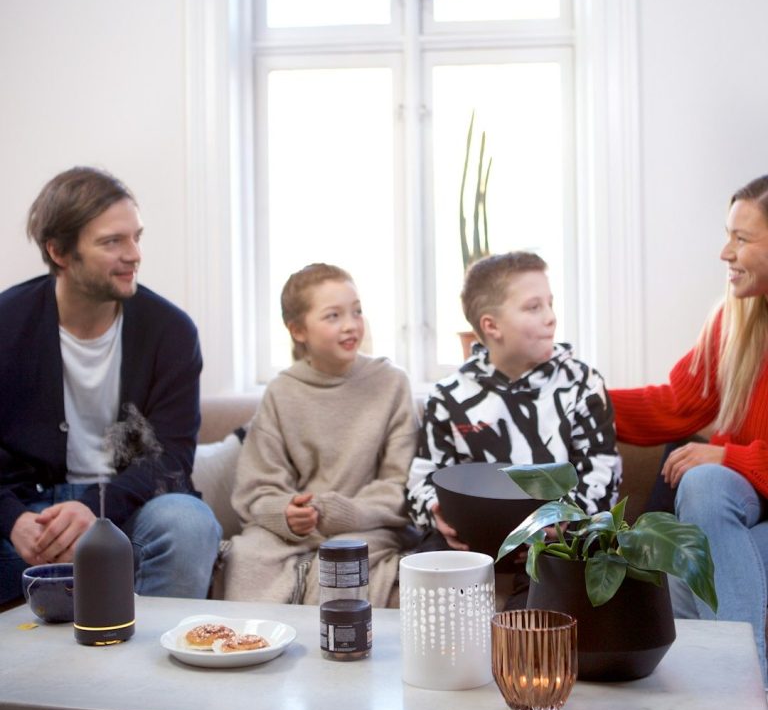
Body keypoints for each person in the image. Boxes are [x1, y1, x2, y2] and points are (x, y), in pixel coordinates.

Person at [0, 166, 221, 605]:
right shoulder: (7, 324)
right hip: (29, 509)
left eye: (136, 237)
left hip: (130, 507)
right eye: (112, 241)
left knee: (189, 522)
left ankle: (150, 671)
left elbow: (173, 460)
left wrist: (94, 509)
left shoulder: (171, 332)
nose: (134, 254)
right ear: (60, 252)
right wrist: (11, 518)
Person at [610, 174, 768, 684]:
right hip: (744, 514)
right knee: (680, 555)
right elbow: (677, 404)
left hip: (745, 498)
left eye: (742, 239)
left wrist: (731, 458)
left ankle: (743, 691)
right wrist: (579, 396)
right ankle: (733, 698)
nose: (726, 251)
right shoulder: (738, 321)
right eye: (729, 235)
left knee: (694, 530)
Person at [224, 263, 418, 607]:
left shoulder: (392, 382)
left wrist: (346, 513)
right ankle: (254, 649)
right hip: (293, 532)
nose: (350, 325)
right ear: (298, 330)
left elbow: (399, 483)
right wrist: (286, 514)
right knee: (247, 554)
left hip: (369, 525)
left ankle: (336, 655)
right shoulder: (281, 392)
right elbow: (256, 488)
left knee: (342, 564)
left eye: (356, 311)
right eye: (333, 316)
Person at [407, 251, 622, 552]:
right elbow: (423, 478)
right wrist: (434, 510)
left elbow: (601, 472)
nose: (551, 317)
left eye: (550, 303)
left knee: (560, 568)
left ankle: (530, 597)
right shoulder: (449, 396)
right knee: (429, 556)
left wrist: (562, 524)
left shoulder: (582, 384)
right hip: (472, 541)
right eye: (534, 307)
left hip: (556, 542)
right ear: (492, 326)